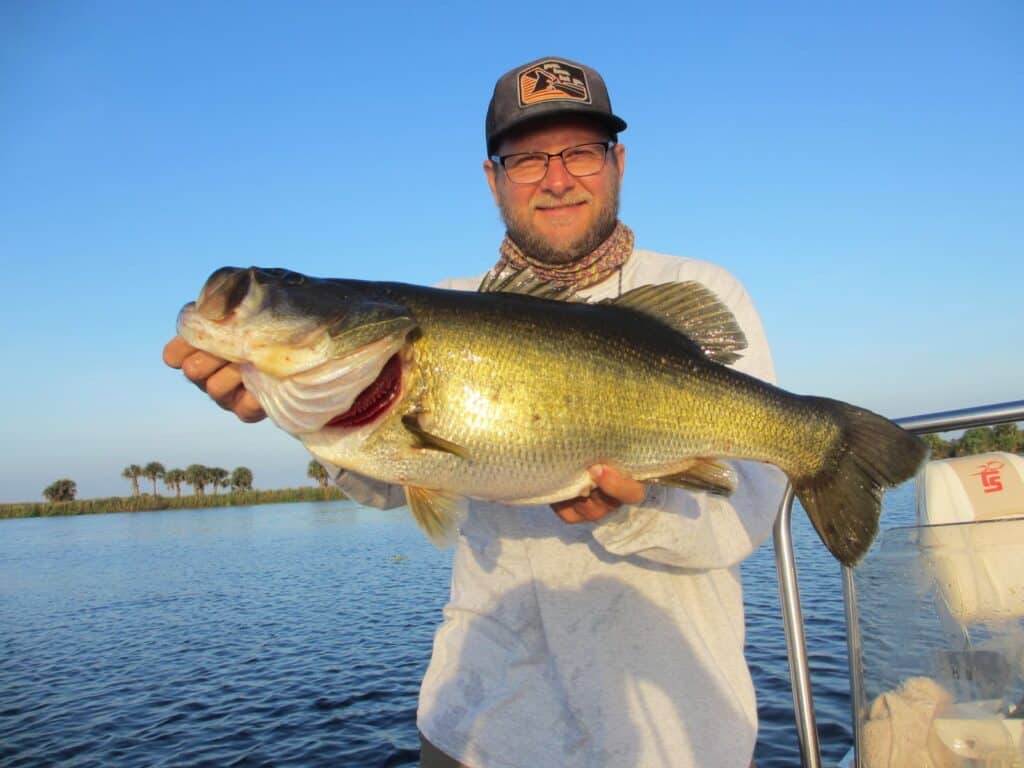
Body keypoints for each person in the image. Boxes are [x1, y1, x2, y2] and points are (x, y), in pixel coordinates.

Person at [165, 56, 786, 768]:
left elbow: (748, 511)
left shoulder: (696, 291)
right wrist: (292, 407)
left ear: (617, 162)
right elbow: (384, 481)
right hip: (485, 729)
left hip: (670, 737)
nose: (557, 178)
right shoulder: (448, 300)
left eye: (580, 151)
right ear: (493, 179)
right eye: (526, 159)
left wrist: (633, 510)